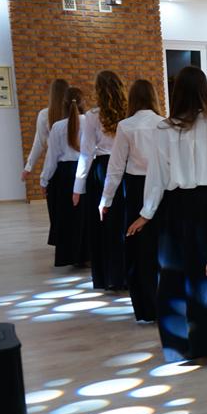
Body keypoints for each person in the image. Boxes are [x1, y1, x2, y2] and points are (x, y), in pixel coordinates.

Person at [126, 66, 207, 363]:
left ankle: (180, 342)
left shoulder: (164, 129)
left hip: (174, 208)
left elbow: (156, 178)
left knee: (174, 274)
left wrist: (146, 213)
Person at [100, 80, 164, 322]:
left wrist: (106, 199)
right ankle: (165, 303)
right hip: (162, 187)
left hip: (137, 190)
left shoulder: (126, 126)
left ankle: (147, 308)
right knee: (161, 248)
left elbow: (115, 167)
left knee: (139, 251)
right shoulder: (165, 124)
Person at [74, 70, 128, 291]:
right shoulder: (129, 112)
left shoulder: (92, 116)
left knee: (104, 226)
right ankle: (126, 274)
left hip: (102, 170)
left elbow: (86, 152)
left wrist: (78, 187)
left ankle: (109, 277)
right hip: (126, 169)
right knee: (123, 223)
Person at [41, 87, 88, 268]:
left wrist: (44, 180)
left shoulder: (58, 126)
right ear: (83, 102)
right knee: (86, 216)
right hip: (87, 171)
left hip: (65, 175)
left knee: (68, 217)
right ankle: (89, 254)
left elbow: (52, 157)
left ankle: (71, 256)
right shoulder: (91, 122)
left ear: (64, 104)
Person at [22, 78, 69, 247]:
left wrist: (29, 167)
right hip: (76, 168)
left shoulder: (45, 115)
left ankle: (62, 242)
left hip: (55, 169)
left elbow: (40, 143)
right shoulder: (78, 115)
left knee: (57, 209)